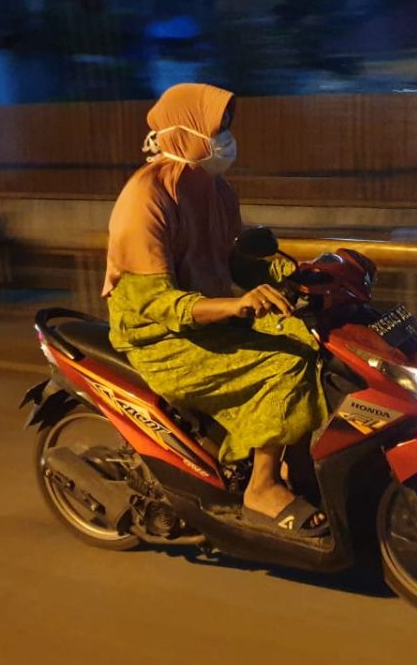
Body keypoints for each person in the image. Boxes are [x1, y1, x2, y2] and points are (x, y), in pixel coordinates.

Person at [103, 82, 329, 537]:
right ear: (184, 132)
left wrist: (297, 272)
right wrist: (238, 304)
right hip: (156, 333)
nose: (225, 139)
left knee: (309, 342)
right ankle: (261, 488)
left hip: (205, 313)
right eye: (214, 129)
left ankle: (285, 466)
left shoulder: (217, 189)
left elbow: (230, 259)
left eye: (226, 127)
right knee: (284, 364)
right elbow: (155, 301)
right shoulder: (146, 196)